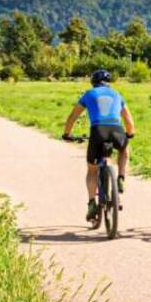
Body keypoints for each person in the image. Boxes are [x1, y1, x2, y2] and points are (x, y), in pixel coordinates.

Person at [62, 69, 135, 221]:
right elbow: (128, 118)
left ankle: (91, 203)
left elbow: (73, 116)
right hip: (116, 129)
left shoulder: (88, 94)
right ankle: (121, 177)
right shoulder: (117, 94)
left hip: (97, 131)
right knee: (124, 149)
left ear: (93, 82)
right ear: (109, 83)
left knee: (92, 170)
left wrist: (67, 134)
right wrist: (130, 133)